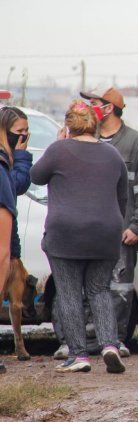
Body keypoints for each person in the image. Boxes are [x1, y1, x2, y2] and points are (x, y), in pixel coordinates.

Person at [30, 101, 128, 374]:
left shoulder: (58, 150)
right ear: (95, 124)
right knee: (100, 290)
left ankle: (78, 354)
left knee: (69, 292)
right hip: (106, 232)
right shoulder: (112, 154)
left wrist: (58, 142)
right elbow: (123, 198)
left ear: (68, 125)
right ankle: (110, 344)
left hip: (66, 233)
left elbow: (35, 177)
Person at [77, 87, 138, 358]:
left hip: (121, 229)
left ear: (109, 108)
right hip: (91, 229)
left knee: (120, 287)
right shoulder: (87, 140)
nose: (89, 108)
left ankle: (117, 339)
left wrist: (137, 226)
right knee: (90, 287)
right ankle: (90, 339)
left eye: (94, 103)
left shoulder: (137, 143)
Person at [0, 107, 29, 373]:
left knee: (15, 299)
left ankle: (19, 344)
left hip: (11, 239)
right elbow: (17, 185)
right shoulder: (3, 162)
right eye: (18, 132)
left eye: (26, 132)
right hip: (4, 242)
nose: (23, 138)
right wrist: (21, 158)